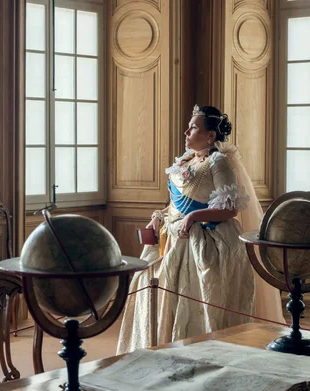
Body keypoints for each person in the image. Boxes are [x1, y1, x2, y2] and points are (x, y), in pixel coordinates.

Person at [116, 105, 285, 354]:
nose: (186, 131)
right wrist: (158, 217)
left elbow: (230, 210)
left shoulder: (219, 163)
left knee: (193, 299)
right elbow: (174, 205)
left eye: (194, 127)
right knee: (151, 286)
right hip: (172, 237)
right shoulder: (184, 161)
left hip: (204, 241)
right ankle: (157, 349)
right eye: (189, 125)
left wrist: (196, 215)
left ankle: (197, 352)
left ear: (210, 136)